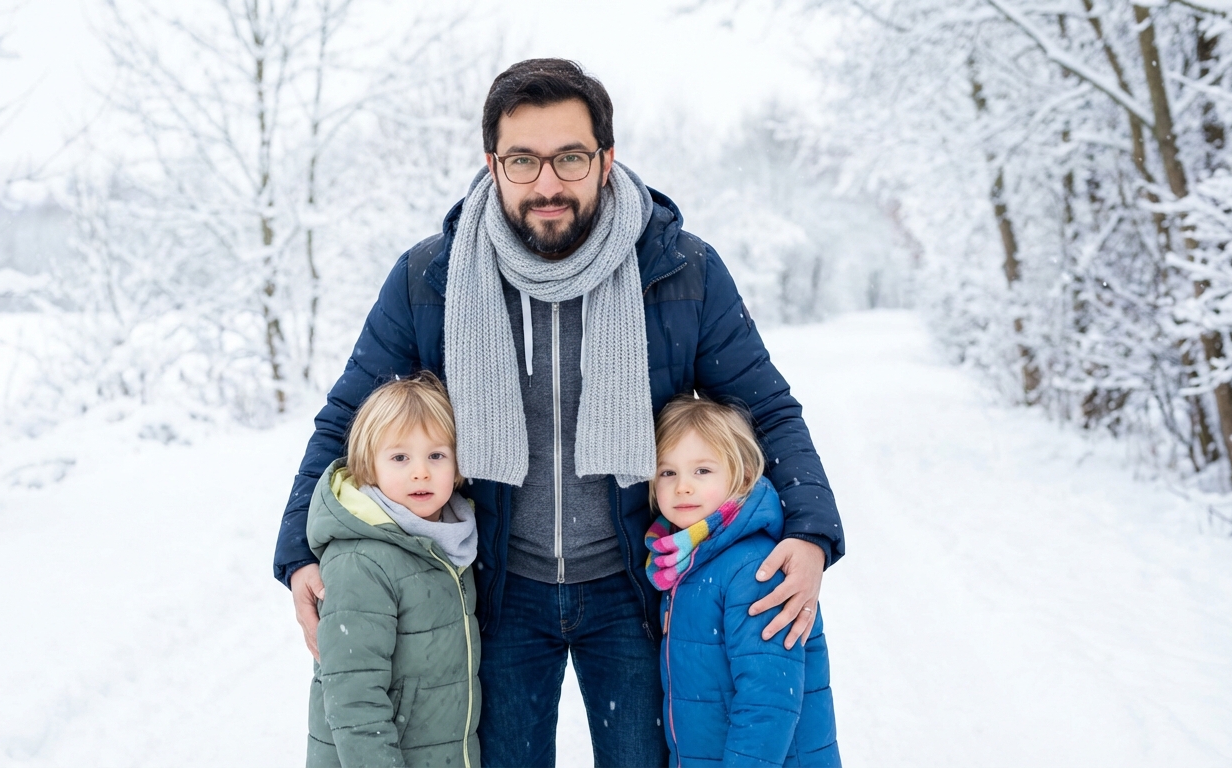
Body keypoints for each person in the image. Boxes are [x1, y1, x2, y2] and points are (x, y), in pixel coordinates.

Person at [275, 58, 846, 767]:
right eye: (523, 160)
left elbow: (769, 408)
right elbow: (345, 419)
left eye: (569, 157)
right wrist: (299, 553)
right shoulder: (433, 278)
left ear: (606, 159)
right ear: (493, 165)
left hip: (635, 588)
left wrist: (814, 532)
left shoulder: (680, 270)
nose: (547, 183)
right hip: (499, 590)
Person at [648, 395, 839, 767]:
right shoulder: (682, 563)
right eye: (667, 472)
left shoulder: (755, 569)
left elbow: (768, 701)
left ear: (743, 475)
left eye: (702, 470)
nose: (683, 486)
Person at [304, 372, 480, 768]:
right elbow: (354, 699)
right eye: (400, 457)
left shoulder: (452, 543)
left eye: (436, 455)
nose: (420, 472)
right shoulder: (361, 562)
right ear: (369, 465)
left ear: (458, 466)